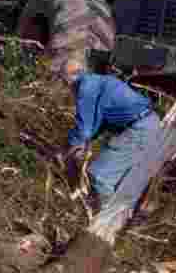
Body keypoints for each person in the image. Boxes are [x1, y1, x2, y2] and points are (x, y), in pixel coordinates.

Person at [58, 56, 160, 213]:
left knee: (100, 175)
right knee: (118, 176)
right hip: (148, 123)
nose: (66, 86)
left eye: (64, 81)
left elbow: (85, 130)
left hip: (139, 129)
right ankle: (130, 213)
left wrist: (69, 147)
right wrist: (79, 142)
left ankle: (107, 221)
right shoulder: (98, 82)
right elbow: (98, 124)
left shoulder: (85, 88)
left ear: (70, 77)